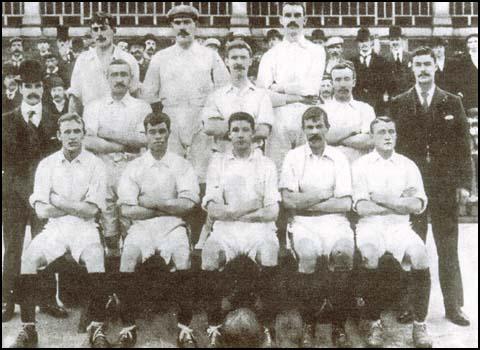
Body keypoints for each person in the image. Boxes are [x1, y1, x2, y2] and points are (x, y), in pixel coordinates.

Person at [9, 113, 109, 348]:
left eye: (76, 131)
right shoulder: (47, 165)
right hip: (55, 228)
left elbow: (90, 212)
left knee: (96, 257)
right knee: (29, 258)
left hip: (85, 228)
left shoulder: (96, 164)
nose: (72, 136)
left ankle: (97, 327)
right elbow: (42, 212)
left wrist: (57, 200)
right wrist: (74, 206)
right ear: (58, 135)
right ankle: (28, 329)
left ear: (83, 134)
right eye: (67, 132)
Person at [390, 47, 472, 327]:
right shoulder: (400, 102)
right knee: (412, 247)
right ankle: (409, 306)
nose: (423, 69)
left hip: (444, 186)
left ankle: (454, 306)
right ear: (411, 68)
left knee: (448, 248)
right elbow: (395, 147)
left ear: (436, 66)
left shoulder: (452, 102)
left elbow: (463, 145)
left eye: (428, 63)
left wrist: (464, 184)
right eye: (418, 64)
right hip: (412, 190)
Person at [116, 112, 200, 348]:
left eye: (162, 131)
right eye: (152, 132)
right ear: (145, 135)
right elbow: (128, 210)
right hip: (142, 226)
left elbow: (187, 204)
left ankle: (184, 329)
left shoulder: (181, 165)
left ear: (169, 133)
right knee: (128, 256)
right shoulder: (134, 167)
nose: (158, 137)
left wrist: (148, 200)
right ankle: (128, 328)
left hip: (173, 226)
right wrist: (166, 206)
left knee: (183, 256)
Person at [201, 112, 280, 348]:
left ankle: (266, 328)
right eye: (235, 130)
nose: (240, 135)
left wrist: (236, 211)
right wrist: (247, 207)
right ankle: (214, 327)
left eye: (245, 129)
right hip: (226, 229)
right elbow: (213, 208)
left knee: (269, 253)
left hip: (259, 229)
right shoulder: (218, 163)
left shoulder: (266, 164)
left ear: (253, 133)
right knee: (209, 254)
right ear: (229, 134)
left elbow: (271, 212)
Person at [352, 116, 433, 348]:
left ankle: (419, 326)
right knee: (369, 254)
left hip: (400, 226)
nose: (387, 136)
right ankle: (374, 323)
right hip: (370, 226)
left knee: (420, 256)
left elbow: (417, 206)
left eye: (391, 131)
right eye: (381, 132)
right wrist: (399, 200)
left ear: (396, 135)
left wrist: (380, 197)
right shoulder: (361, 166)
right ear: (372, 137)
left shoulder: (408, 165)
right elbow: (362, 207)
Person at [280, 106, 355, 347]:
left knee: (343, 255)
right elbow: (289, 201)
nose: (314, 131)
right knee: (309, 256)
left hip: (336, 223)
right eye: (309, 127)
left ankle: (338, 324)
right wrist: (324, 195)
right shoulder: (293, 157)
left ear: (327, 128)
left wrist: (307, 201)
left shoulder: (340, 158)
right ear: (303, 130)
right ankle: (309, 323)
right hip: (303, 224)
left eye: (318, 126)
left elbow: (344, 203)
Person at [191, 39, 274, 248]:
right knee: (219, 202)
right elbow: (209, 127)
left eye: (243, 57)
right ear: (226, 61)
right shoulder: (217, 95)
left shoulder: (261, 96)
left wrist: (228, 128)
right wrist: (243, 131)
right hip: (222, 158)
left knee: (252, 202)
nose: (238, 62)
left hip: (252, 160)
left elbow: (264, 129)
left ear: (251, 61)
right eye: (234, 58)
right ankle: (209, 238)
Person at [2, 60, 62, 323]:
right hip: (14, 194)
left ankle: (48, 299)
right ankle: (7, 300)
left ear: (44, 88)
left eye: (37, 85)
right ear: (20, 87)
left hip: (45, 195)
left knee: (46, 246)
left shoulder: (55, 121)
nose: (33, 91)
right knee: (13, 247)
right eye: (28, 86)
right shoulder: (6, 120)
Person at [142, 4, 230, 158]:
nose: (182, 27)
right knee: (172, 171)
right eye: (178, 23)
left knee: (202, 173)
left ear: (196, 25)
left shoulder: (210, 56)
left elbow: (224, 91)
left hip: (202, 121)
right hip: (171, 121)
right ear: (172, 26)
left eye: (187, 22)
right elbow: (149, 94)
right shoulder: (161, 57)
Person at [83, 59, 151, 254]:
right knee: (108, 229)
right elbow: (88, 142)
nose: (119, 79)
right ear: (107, 78)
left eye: (123, 74)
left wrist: (106, 132)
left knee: (133, 229)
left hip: (132, 171)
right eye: (114, 74)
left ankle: (131, 277)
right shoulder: (93, 107)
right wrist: (126, 143)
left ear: (131, 78)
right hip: (103, 172)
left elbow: (144, 140)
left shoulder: (142, 107)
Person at [257, 1, 325, 172]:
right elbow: (262, 95)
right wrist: (298, 97)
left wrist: (278, 87)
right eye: (288, 15)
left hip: (308, 121)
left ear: (305, 20)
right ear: (281, 19)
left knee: (309, 171)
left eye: (297, 15)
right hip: (279, 123)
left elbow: (312, 88)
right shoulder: (270, 55)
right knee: (278, 172)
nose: (292, 20)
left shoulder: (316, 51)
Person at [68, 12, 140, 114]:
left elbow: (135, 94)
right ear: (91, 33)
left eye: (103, 28)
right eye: (95, 29)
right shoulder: (83, 60)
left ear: (113, 30)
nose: (99, 34)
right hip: (91, 119)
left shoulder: (128, 59)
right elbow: (75, 97)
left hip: (122, 117)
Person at [322, 62, 375, 164]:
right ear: (332, 83)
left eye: (346, 79)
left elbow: (368, 141)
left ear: (354, 82)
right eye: (338, 80)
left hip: (359, 167)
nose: (342, 84)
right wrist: (355, 130)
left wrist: (335, 138)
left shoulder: (365, 109)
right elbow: (322, 137)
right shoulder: (322, 110)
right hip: (331, 168)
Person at [350, 27, 389, 114]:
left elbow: (385, 82)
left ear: (371, 42)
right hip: (358, 101)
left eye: (366, 41)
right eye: (361, 41)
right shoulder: (352, 61)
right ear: (357, 44)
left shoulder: (381, 60)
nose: (364, 44)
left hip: (376, 103)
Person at [384, 25, 414, 101]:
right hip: (392, 98)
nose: (395, 42)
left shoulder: (410, 57)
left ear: (402, 40)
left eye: (397, 40)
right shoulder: (384, 59)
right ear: (389, 42)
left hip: (409, 98)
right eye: (392, 40)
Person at [456, 34, 478, 111]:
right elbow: (459, 78)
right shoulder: (462, 60)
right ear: (467, 45)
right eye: (470, 42)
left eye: (475, 41)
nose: (473, 44)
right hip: (469, 95)